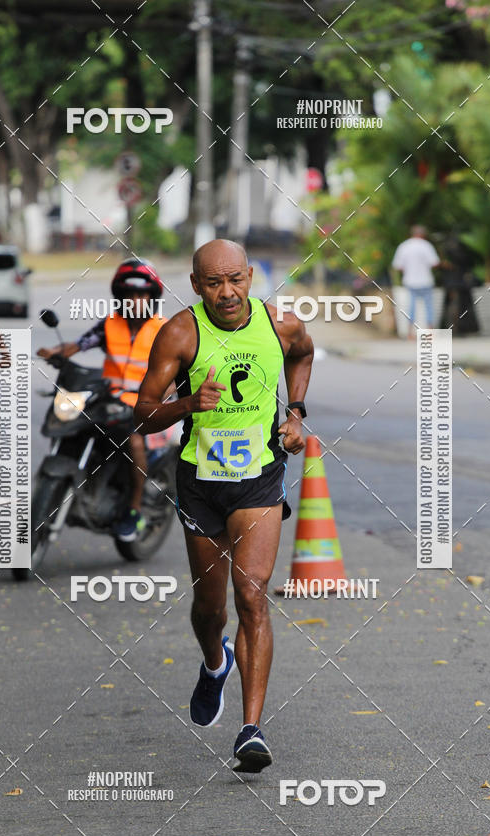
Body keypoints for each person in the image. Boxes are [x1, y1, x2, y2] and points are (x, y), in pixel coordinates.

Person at [134, 239, 314, 773]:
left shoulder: (281, 325)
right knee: (210, 609)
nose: (227, 292)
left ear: (250, 276)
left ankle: (251, 729)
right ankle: (215, 662)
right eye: (214, 283)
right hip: (201, 484)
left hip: (258, 479)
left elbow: (303, 354)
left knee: (252, 595)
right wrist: (188, 403)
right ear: (196, 285)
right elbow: (143, 412)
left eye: (235, 279)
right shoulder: (180, 333)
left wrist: (296, 413)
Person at [38, 258, 166, 541]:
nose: (135, 300)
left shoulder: (164, 331)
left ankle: (133, 510)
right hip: (109, 400)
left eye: (141, 294)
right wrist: (57, 352)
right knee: (75, 422)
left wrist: (159, 397)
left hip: (142, 407)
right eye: (129, 295)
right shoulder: (110, 325)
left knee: (134, 443)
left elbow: (173, 375)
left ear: (152, 297)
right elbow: (80, 344)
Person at [392, 225, 440, 335]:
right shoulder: (426, 245)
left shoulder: (404, 246)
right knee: (429, 307)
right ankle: (430, 331)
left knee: (411, 307)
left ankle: (410, 332)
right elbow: (435, 262)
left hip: (410, 281)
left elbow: (398, 265)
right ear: (423, 234)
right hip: (425, 280)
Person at [438, 234, 480, 335]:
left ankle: (455, 328)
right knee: (459, 307)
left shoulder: (450, 254)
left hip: (454, 284)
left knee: (456, 307)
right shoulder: (462, 254)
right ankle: (458, 328)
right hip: (460, 284)